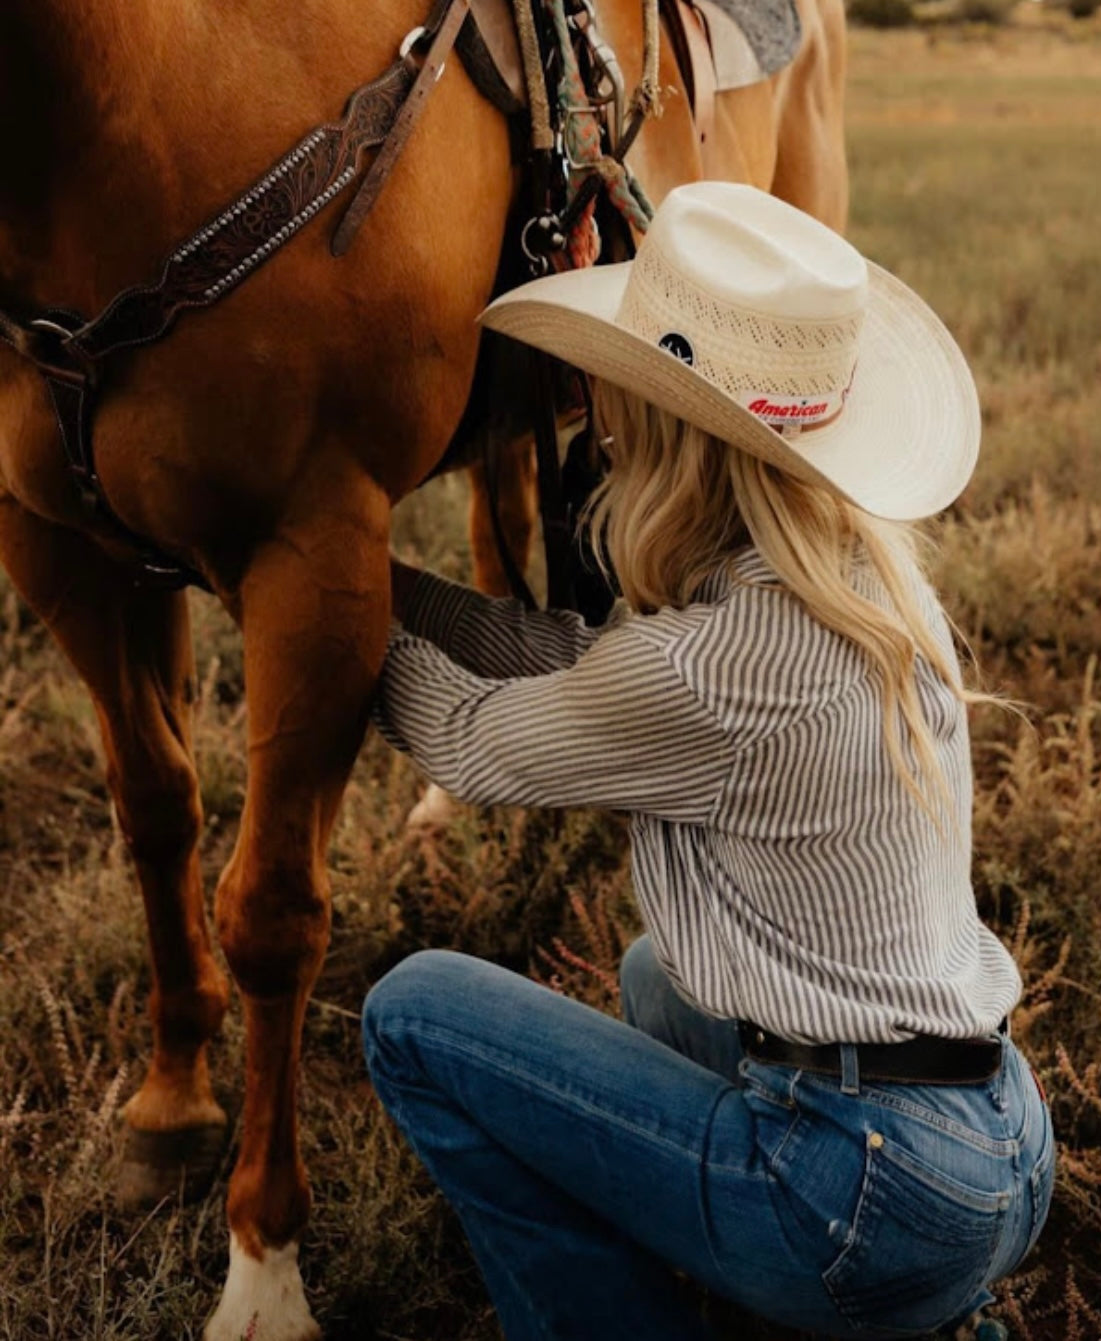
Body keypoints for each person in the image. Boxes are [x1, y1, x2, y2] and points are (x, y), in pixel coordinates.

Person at [361, 181, 1055, 1341]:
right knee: (657, 975)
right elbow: (582, 666)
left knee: (413, 1014)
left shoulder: (710, 669)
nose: (601, 426)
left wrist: (317, 597)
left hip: (867, 1198)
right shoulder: (865, 584)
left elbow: (468, 741)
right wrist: (379, 586)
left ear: (662, 430)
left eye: (616, 402)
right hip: (998, 1141)